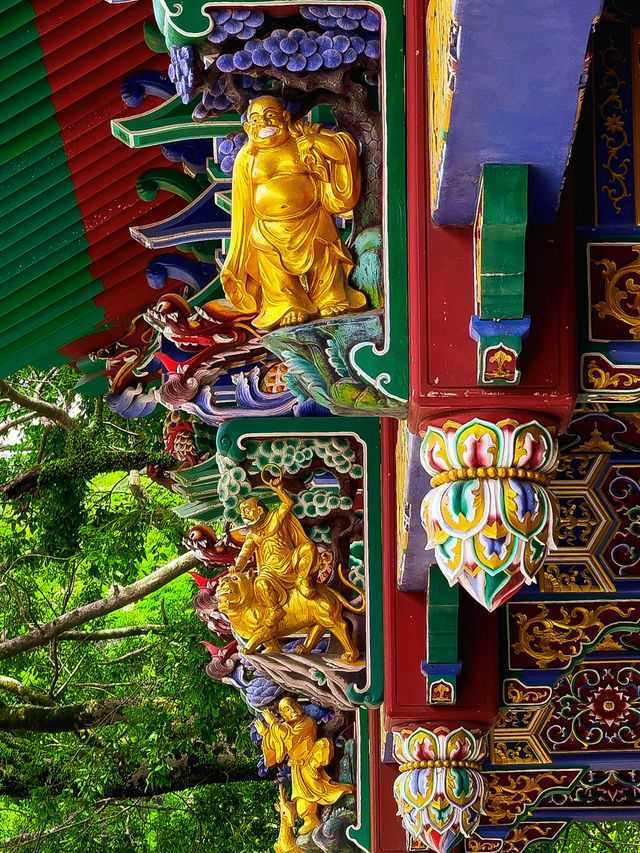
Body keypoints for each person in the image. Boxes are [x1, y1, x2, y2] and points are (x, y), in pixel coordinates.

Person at [220, 95, 367, 330]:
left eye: (270, 115)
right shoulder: (246, 159)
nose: (264, 123)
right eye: (256, 120)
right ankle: (287, 305)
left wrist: (316, 140)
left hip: (311, 218)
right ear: (248, 128)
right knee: (269, 260)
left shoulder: (301, 139)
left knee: (323, 256)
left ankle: (330, 296)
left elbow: (342, 150)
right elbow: (242, 207)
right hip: (268, 228)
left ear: (286, 118)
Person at [235, 465, 320, 628]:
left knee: (309, 548)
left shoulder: (274, 517)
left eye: (247, 510)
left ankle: (302, 579)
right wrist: (237, 567)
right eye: (242, 512)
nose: (244, 515)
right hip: (270, 571)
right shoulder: (252, 535)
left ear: (259, 510)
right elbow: (244, 553)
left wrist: (279, 489)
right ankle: (274, 610)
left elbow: (287, 504)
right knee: (260, 583)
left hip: (290, 561)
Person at [255, 697, 354, 834]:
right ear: (284, 715)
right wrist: (266, 733)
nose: (293, 710)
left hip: (310, 760)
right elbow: (277, 754)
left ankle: (341, 793)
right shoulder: (285, 727)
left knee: (317, 786)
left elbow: (291, 739)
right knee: (301, 797)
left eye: (293, 705)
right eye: (287, 710)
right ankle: (310, 820)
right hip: (297, 767)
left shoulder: (307, 722)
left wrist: (274, 723)